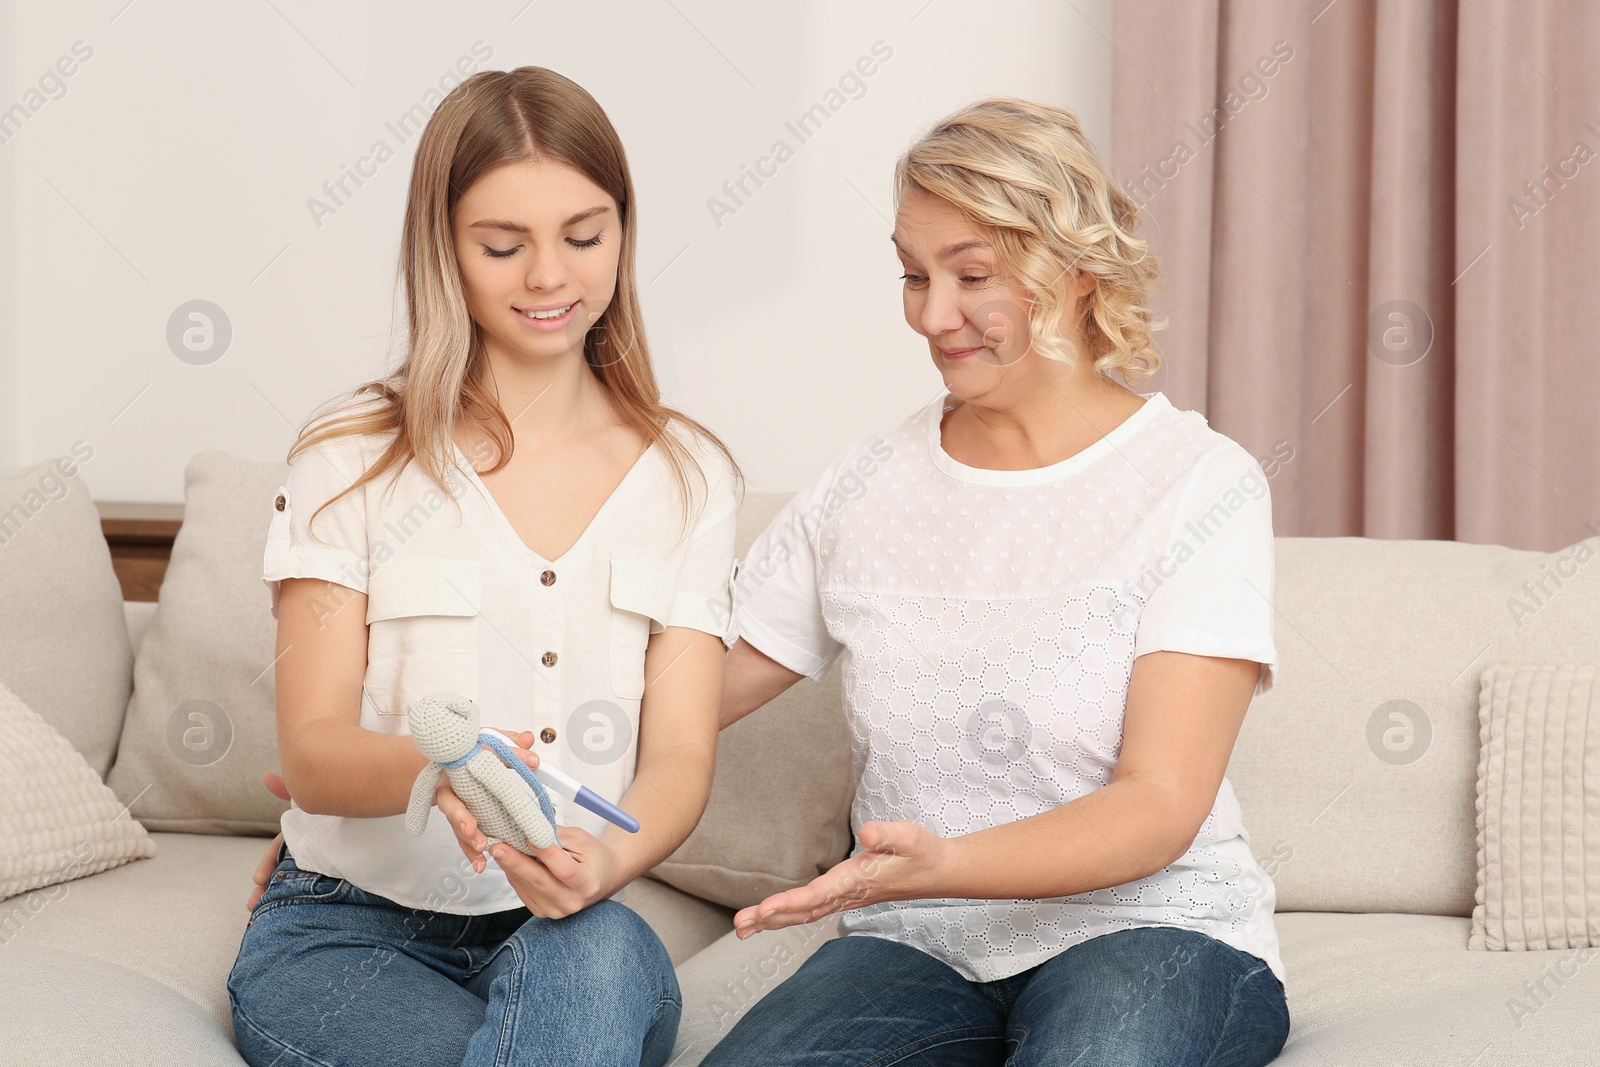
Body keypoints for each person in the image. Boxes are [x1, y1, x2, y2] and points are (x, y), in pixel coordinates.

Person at [696, 98, 1291, 1065]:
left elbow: (1159, 802)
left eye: (972, 275)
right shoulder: (862, 489)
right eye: (913, 274)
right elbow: (684, 693)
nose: (932, 316)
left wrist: (942, 864)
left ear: (1079, 272)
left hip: (1154, 931)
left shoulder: (1197, 481)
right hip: (918, 944)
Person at [227, 65, 740, 1067]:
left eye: (583, 237)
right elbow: (317, 745)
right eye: (503, 246)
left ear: (623, 234)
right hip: (343, 930)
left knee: (590, 972)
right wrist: (439, 766)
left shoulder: (691, 478)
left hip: (573, 929)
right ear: (444, 250)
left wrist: (611, 860)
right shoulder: (347, 459)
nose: (549, 277)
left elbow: (679, 754)